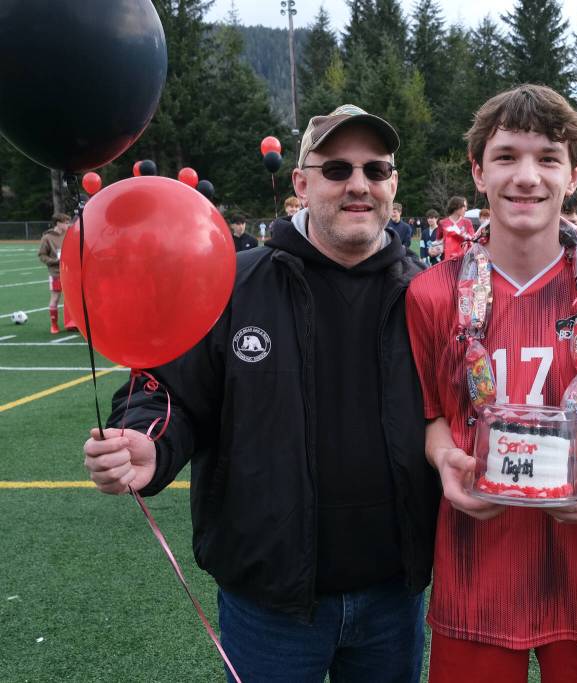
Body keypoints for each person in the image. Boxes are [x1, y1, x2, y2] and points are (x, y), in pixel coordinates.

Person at [81, 103, 440, 683]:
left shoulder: (430, 296)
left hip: (392, 598)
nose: (358, 185)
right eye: (336, 170)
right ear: (300, 183)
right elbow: (166, 389)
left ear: (393, 184)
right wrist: (149, 441)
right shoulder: (234, 283)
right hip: (270, 604)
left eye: (376, 170)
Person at [406, 84, 577, 683]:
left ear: (573, 174)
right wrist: (446, 463)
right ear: (478, 172)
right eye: (507, 156)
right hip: (475, 566)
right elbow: (434, 415)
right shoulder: (432, 293)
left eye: (548, 158)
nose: (526, 176)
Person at [37, 213, 77, 334]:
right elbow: (42, 255)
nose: (68, 224)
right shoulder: (47, 237)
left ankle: (74, 323)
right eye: (65, 222)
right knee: (55, 298)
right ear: (58, 223)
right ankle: (54, 324)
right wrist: (54, 261)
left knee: (72, 299)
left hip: (70, 272)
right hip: (56, 273)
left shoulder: (70, 233)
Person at [439, 195, 474, 260]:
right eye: (464, 206)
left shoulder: (467, 222)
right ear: (456, 207)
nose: (466, 209)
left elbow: (472, 241)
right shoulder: (442, 223)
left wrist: (463, 236)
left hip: (463, 259)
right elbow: (438, 241)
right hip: (447, 260)